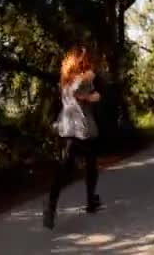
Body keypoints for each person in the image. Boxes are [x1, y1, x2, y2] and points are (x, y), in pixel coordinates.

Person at [43, 46, 102, 229]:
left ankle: (91, 201)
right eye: (84, 62)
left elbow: (95, 95)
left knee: (90, 164)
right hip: (74, 130)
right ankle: (51, 206)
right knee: (65, 168)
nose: (88, 65)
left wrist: (92, 97)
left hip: (82, 129)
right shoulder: (72, 81)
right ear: (77, 63)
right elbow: (78, 88)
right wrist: (90, 76)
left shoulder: (75, 81)